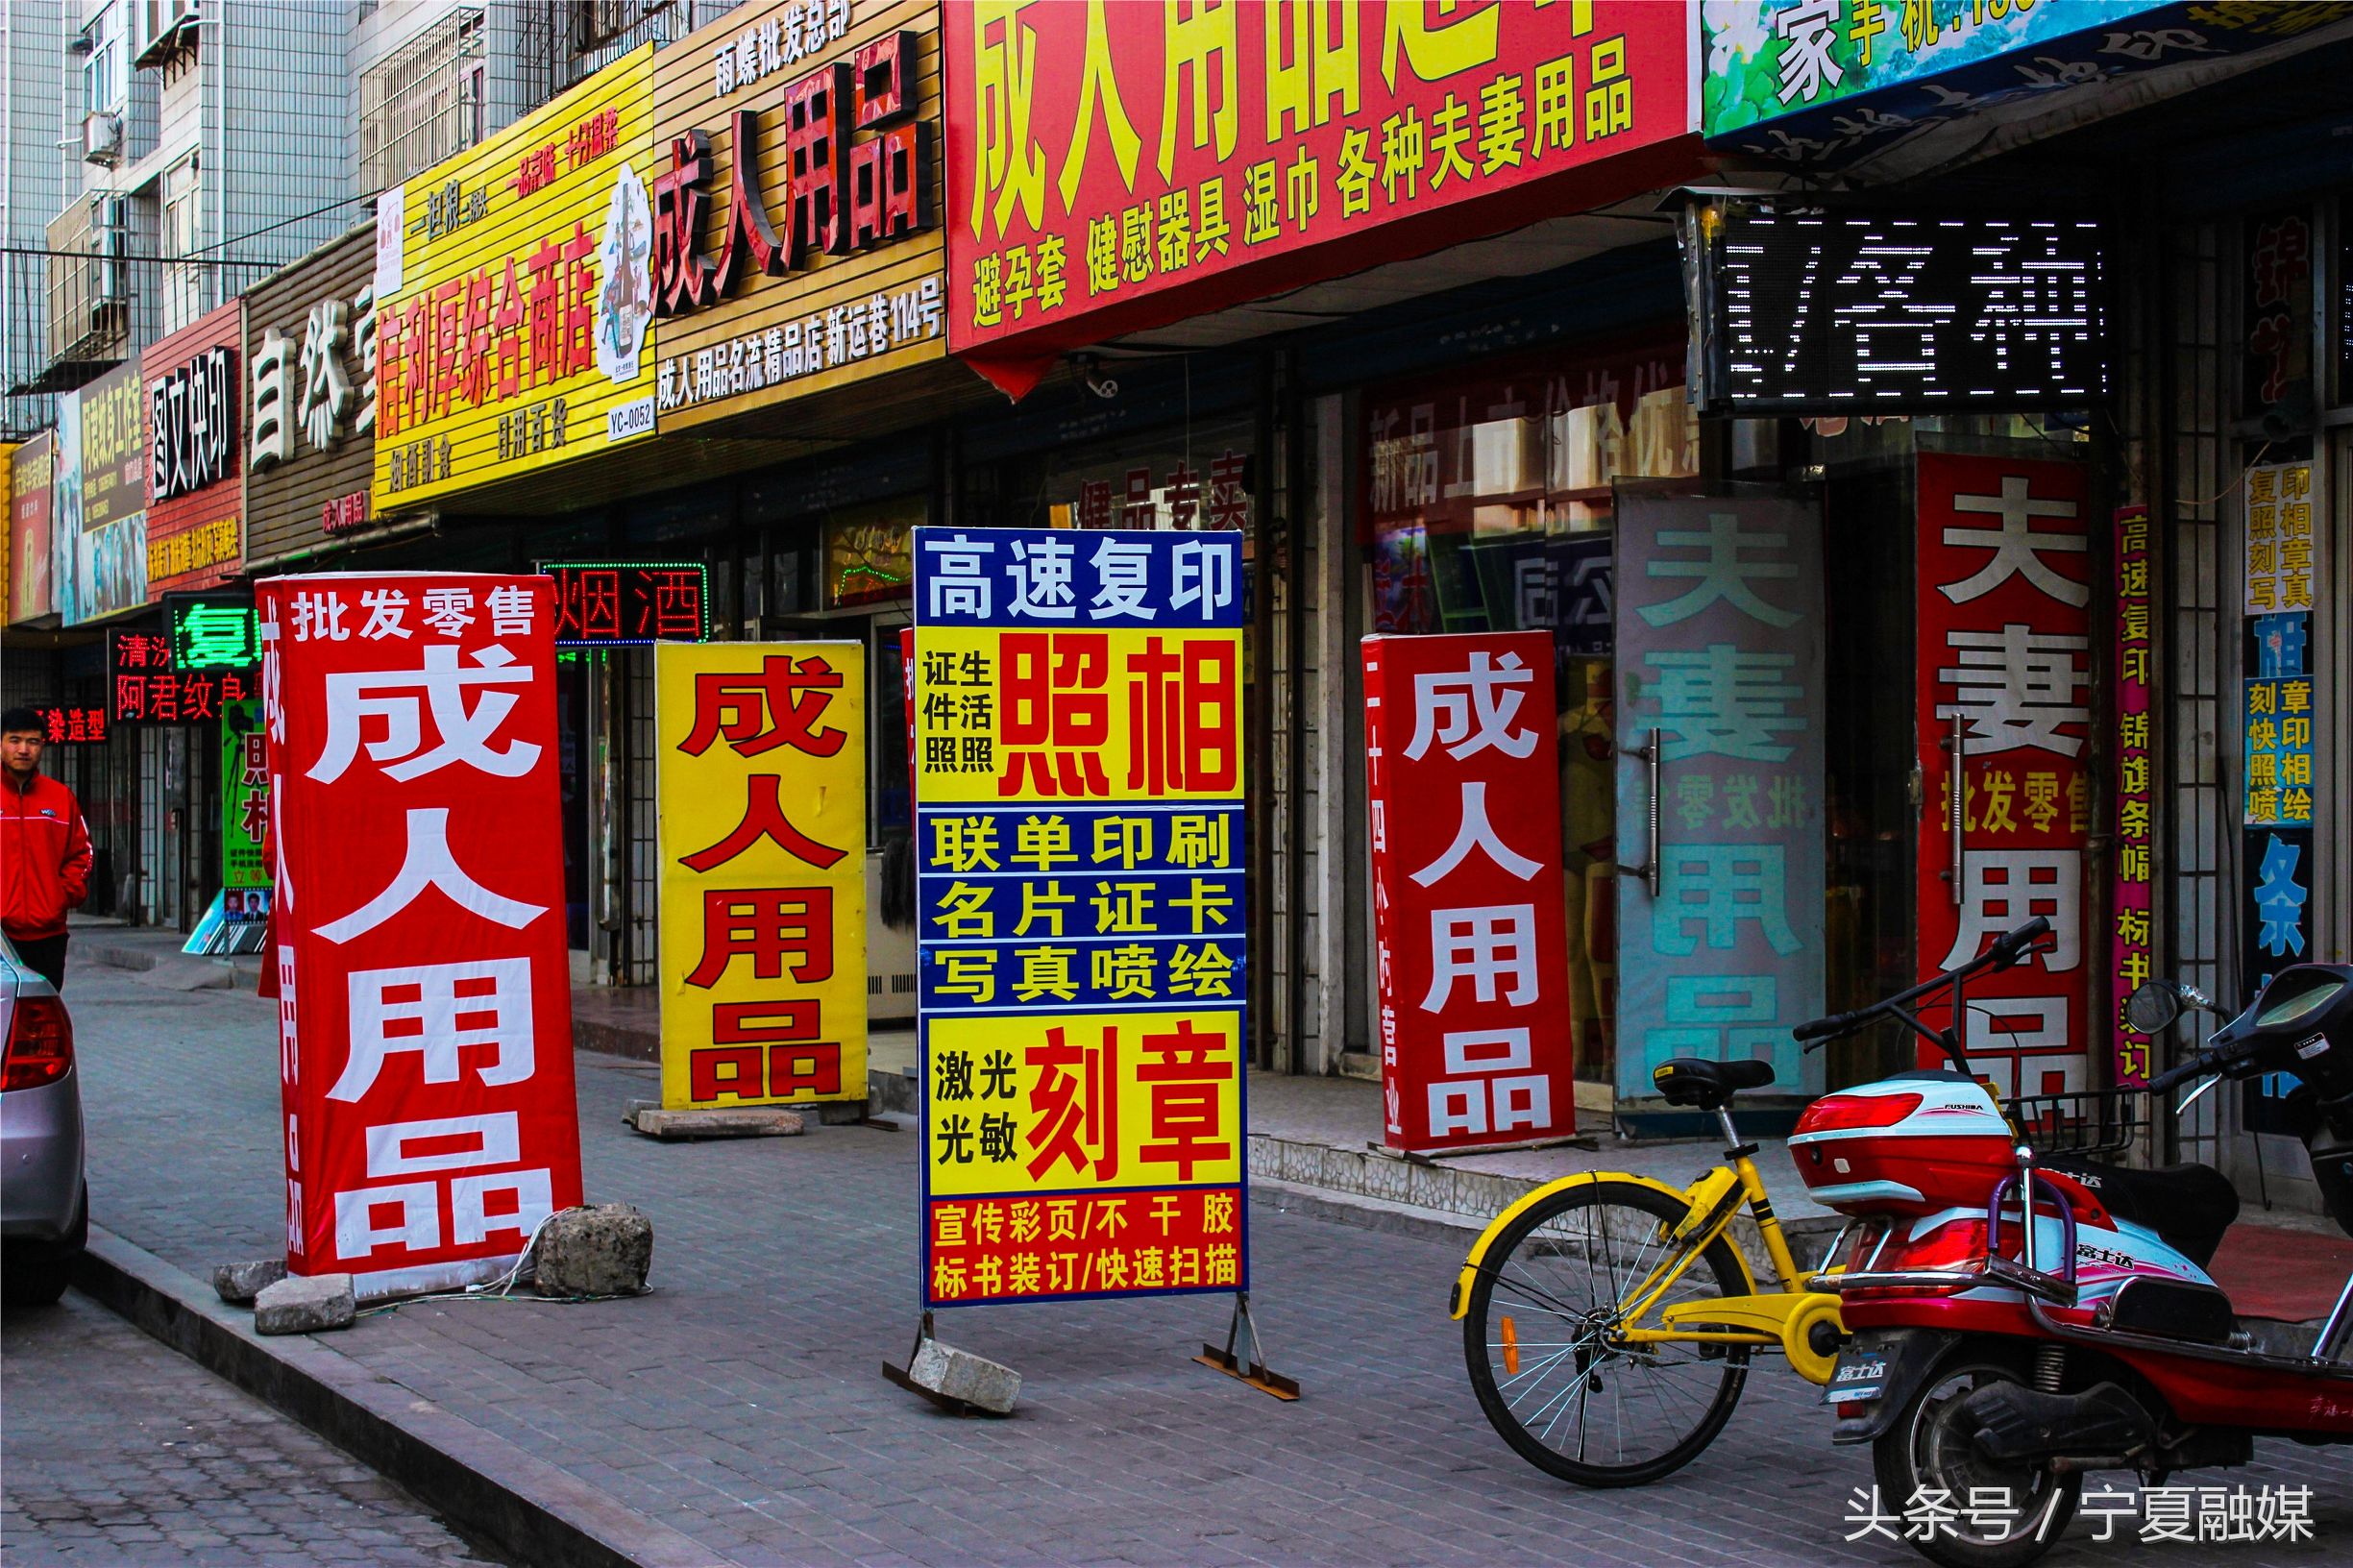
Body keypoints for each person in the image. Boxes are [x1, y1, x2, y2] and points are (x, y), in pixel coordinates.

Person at [1, 708, 92, 992]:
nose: (24, 749)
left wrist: (63, 895)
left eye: (33, 741)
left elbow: (82, 853)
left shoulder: (60, 798)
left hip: (48, 935)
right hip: (0, 938)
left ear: (42, 746)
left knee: (42, 1021)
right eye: (15, 740)